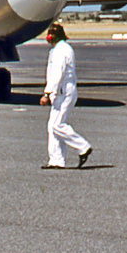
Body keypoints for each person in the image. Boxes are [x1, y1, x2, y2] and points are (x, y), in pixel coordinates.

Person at [39, 23, 93, 170]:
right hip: (61, 91)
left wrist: (47, 93)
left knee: (57, 125)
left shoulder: (60, 51)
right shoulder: (58, 49)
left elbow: (57, 74)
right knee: (52, 126)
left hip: (64, 91)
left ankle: (83, 147)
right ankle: (56, 160)